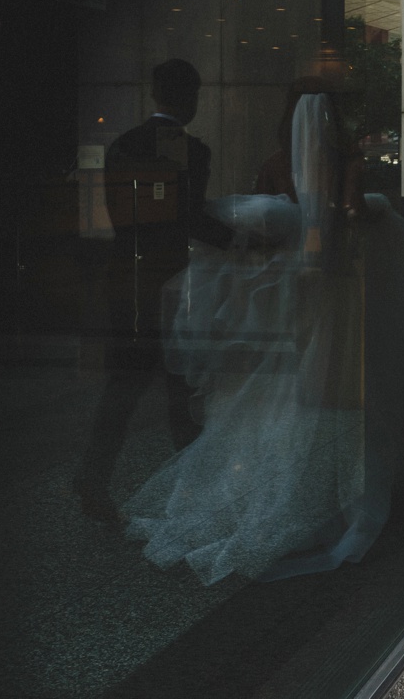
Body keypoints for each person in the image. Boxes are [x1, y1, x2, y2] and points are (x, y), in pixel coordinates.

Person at [123, 85, 404, 585]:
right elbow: (348, 214)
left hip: (292, 286)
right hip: (335, 287)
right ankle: (333, 488)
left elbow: (270, 218)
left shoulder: (275, 161)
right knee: (339, 387)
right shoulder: (345, 160)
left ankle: (286, 483)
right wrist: (376, 207)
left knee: (288, 389)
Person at [75, 58, 233, 525]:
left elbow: (111, 213)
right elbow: (190, 218)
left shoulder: (121, 145)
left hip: (126, 277)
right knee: (178, 389)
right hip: (168, 281)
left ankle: (94, 480)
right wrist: (240, 241)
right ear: (191, 98)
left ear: (154, 94)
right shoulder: (192, 150)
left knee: (124, 388)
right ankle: (194, 495)